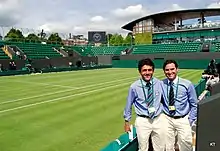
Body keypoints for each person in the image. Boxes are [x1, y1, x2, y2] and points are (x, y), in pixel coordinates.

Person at [123, 58, 165, 151]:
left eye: (149, 70)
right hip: (143, 121)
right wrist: (127, 121)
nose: (147, 73)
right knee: (143, 148)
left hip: (158, 119)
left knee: (160, 147)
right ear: (140, 72)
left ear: (153, 71)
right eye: (144, 70)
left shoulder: (159, 83)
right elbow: (128, 104)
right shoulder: (134, 86)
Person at [161, 60, 198, 151]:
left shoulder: (187, 84)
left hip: (183, 118)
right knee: (168, 146)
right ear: (164, 71)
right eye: (167, 70)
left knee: (186, 145)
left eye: (172, 69)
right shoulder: (161, 84)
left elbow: (194, 104)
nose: (170, 72)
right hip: (167, 119)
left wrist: (190, 120)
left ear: (177, 69)